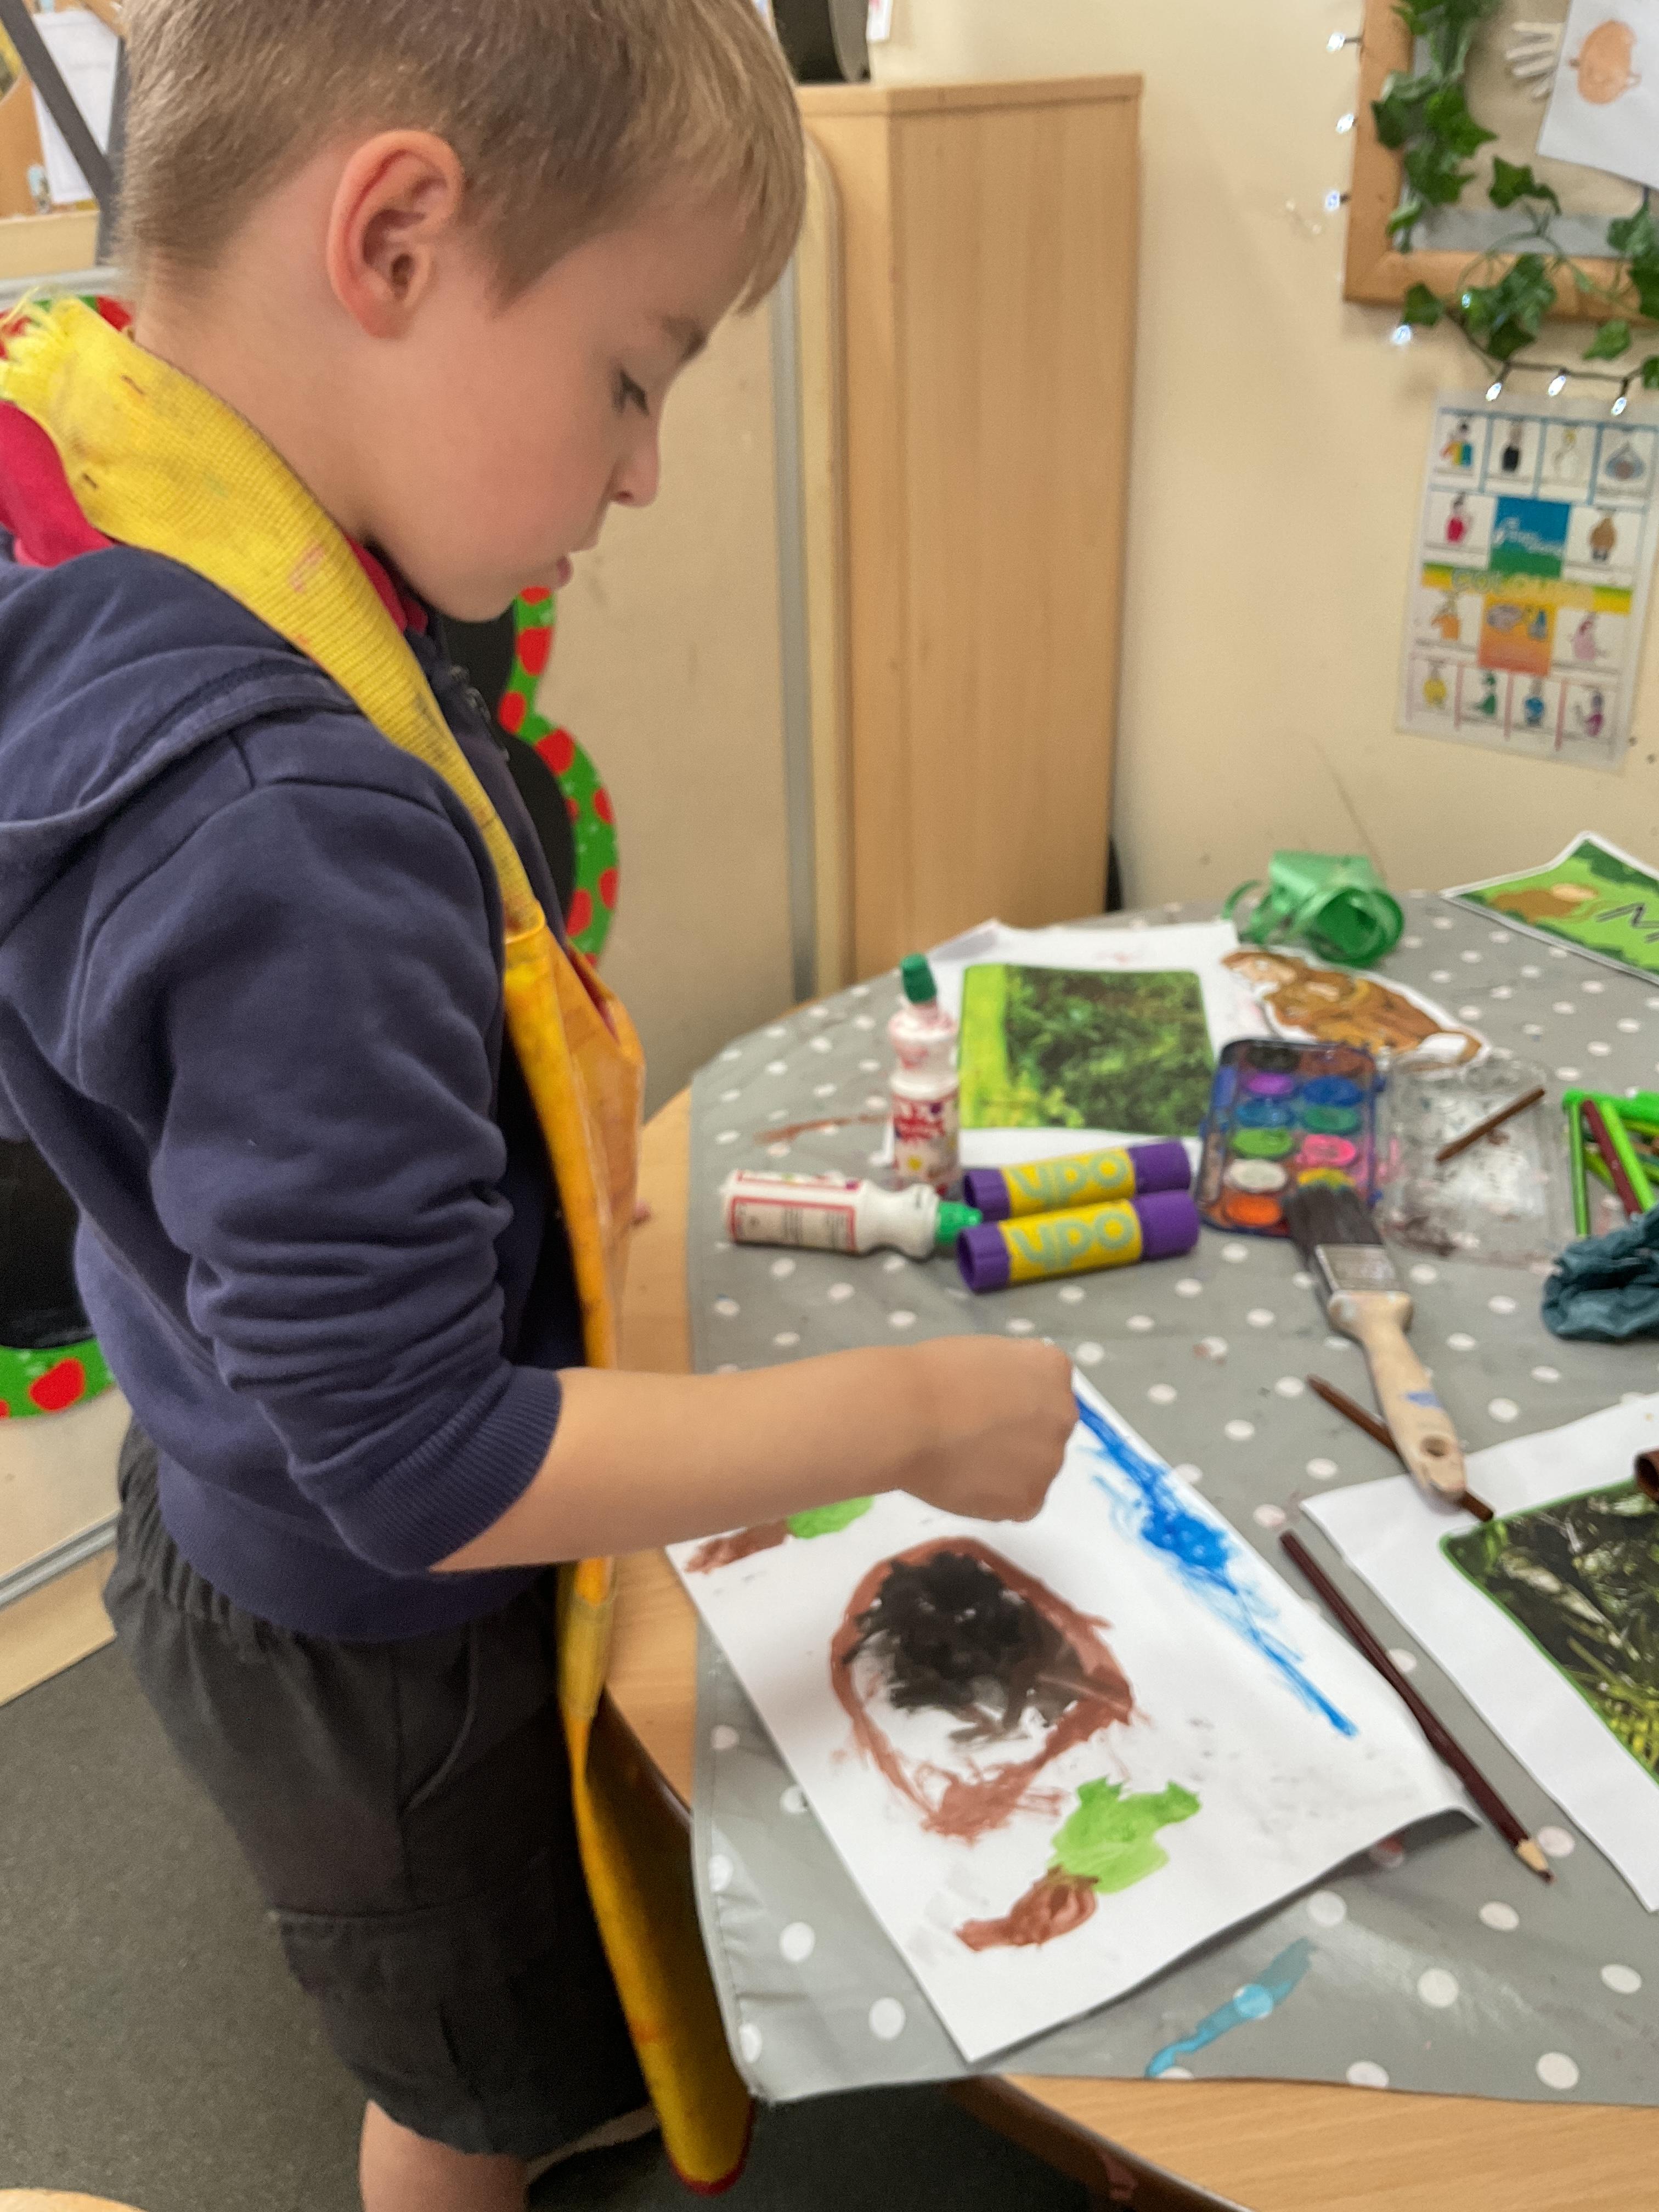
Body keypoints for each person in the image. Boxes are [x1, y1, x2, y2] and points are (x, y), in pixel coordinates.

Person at [0, 5, 1077, 2209]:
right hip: (371, 1633)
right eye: (633, 375)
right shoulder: (283, 821)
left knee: (487, 1974)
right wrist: (912, 1413)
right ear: (394, 238)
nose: (645, 469)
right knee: (462, 2078)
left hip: (219, 1464)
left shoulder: (106, 479)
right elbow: (415, 1465)